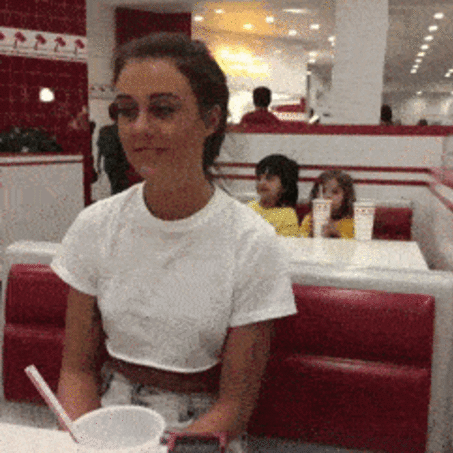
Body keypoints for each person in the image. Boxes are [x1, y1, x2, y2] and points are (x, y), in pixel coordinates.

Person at [51, 32, 297, 452]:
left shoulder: (252, 243)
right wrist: (87, 441)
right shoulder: (95, 226)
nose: (139, 128)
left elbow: (235, 406)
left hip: (203, 432)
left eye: (163, 109)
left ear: (211, 120)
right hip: (107, 423)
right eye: (126, 110)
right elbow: (76, 372)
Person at [248, 154, 300, 237]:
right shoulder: (249, 208)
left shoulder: (287, 216)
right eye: (259, 178)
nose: (262, 183)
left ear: (284, 186)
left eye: (269, 178)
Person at [96, 103, 143, 195]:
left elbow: (100, 149)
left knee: (116, 189)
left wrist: (98, 166)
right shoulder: (126, 130)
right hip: (124, 166)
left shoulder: (104, 130)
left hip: (110, 165)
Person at [299, 169, 356, 238]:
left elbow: (354, 243)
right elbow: (300, 240)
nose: (328, 196)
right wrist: (310, 233)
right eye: (323, 191)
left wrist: (336, 234)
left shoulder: (351, 222)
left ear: (346, 196)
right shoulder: (310, 219)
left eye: (335, 192)